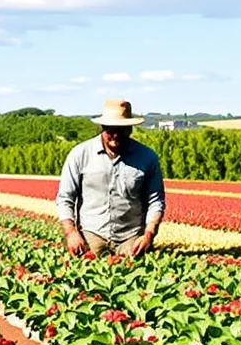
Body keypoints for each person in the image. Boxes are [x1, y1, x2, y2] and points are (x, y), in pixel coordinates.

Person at [56, 99, 166, 259]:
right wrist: (71, 232)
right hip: (91, 234)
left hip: (130, 236)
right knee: (84, 270)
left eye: (121, 130)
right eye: (110, 130)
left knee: (135, 271)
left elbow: (155, 200)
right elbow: (65, 197)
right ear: (102, 127)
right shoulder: (80, 154)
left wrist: (149, 235)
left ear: (130, 129)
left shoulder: (147, 158)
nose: (115, 136)